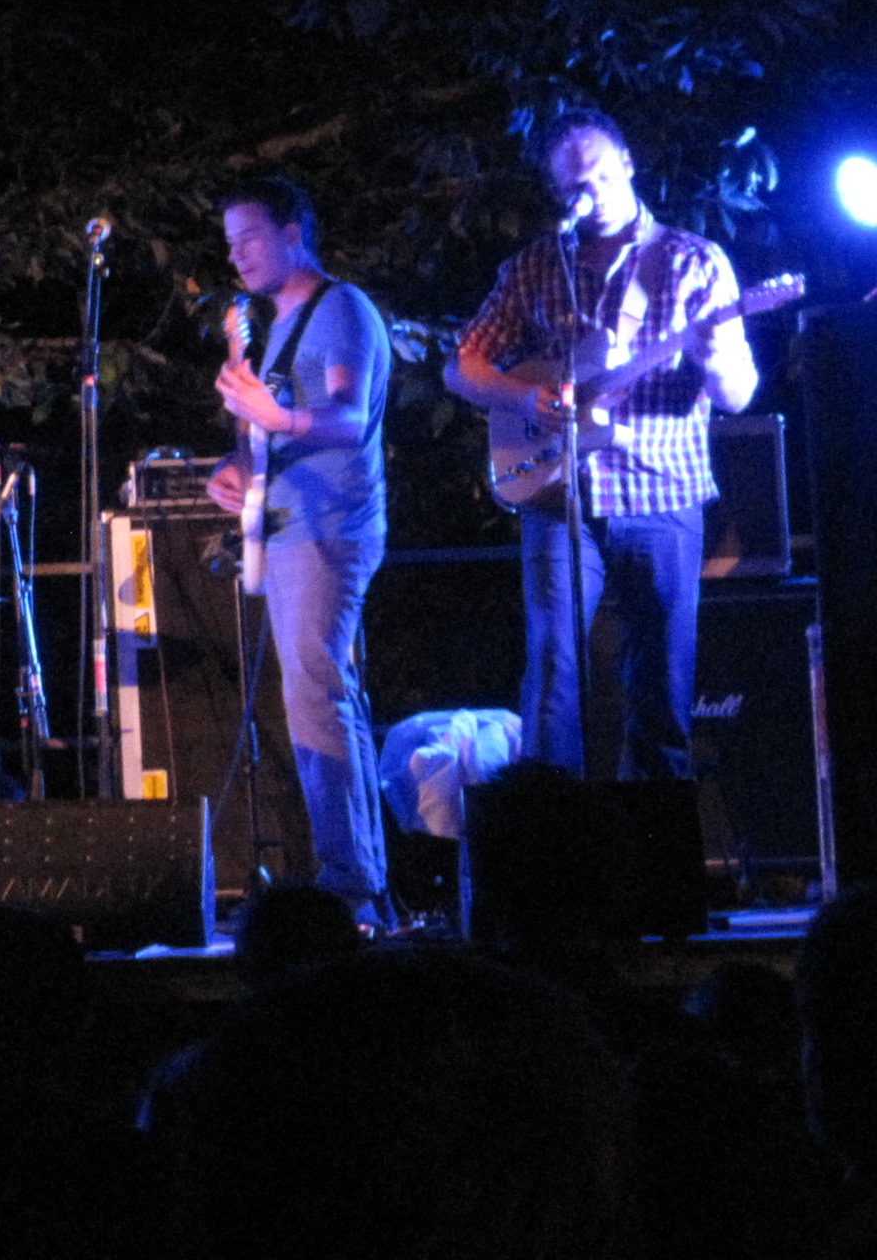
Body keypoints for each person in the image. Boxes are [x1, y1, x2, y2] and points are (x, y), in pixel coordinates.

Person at [448, 108, 758, 780]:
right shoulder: (535, 268)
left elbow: (737, 396)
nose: (587, 195)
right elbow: (462, 366)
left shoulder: (693, 261)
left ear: (626, 164)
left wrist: (715, 354)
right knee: (553, 673)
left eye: (597, 177)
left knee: (661, 683)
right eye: (571, 188)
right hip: (559, 494)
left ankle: (652, 833)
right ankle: (551, 822)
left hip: (662, 489)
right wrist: (524, 398)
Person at [202, 177, 394, 927]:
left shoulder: (339, 308)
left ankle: (350, 887)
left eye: (250, 237)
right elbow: (281, 430)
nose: (237, 255)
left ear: (293, 233)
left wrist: (271, 415)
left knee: (316, 697)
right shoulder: (280, 325)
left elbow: (346, 419)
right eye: (230, 243)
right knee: (320, 695)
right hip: (292, 527)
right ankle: (359, 876)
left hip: (331, 527)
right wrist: (240, 467)